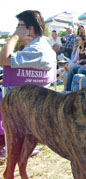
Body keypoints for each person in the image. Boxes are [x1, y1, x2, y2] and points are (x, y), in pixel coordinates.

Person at [0, 10, 56, 158]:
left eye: (20, 26)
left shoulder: (37, 49)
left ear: (30, 28)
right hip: (28, 96)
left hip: (24, 103)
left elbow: (3, 59)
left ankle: (4, 143)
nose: (16, 28)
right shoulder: (41, 46)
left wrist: (15, 36)